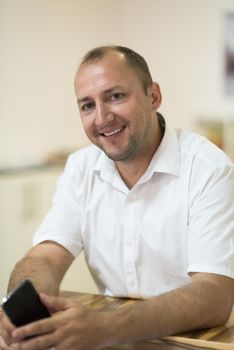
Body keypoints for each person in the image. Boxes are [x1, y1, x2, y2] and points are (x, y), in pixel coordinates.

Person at [0, 45, 234, 350]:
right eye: (87, 105)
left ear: (154, 97)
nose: (102, 118)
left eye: (115, 96)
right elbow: (45, 257)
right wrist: (22, 308)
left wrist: (108, 327)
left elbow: (214, 296)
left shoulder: (209, 169)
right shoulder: (80, 167)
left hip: (192, 341)